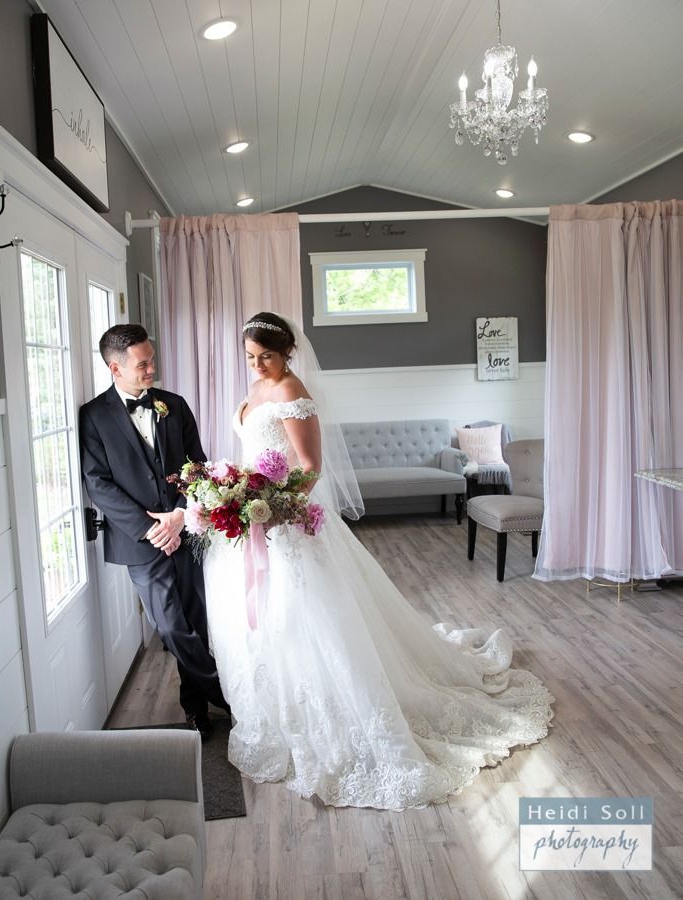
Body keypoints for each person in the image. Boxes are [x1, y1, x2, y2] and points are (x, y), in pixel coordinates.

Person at [204, 312, 554, 809]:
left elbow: (308, 468)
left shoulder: (291, 393)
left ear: (287, 354)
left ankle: (350, 710)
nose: (257, 365)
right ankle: (282, 712)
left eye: (267, 357)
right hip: (255, 519)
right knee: (270, 623)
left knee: (317, 622)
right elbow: (253, 452)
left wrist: (275, 506)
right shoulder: (257, 389)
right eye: (250, 357)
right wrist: (236, 492)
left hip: (288, 523)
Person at [79, 324, 229, 739]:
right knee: (169, 626)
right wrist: (151, 528)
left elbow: (197, 464)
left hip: (187, 530)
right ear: (115, 367)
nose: (152, 369)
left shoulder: (174, 405)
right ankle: (225, 692)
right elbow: (98, 483)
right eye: (143, 364)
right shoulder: (92, 416)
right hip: (140, 541)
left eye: (151, 359)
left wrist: (181, 514)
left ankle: (196, 708)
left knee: (195, 621)